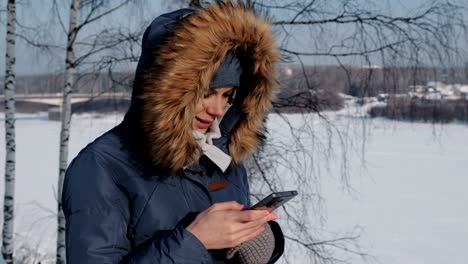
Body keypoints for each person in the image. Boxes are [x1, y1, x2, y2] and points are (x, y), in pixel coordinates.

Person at [62, 1, 283, 263]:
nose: (218, 108)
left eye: (227, 95)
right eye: (206, 93)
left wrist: (252, 239)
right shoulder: (102, 166)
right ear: (167, 92)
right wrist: (195, 241)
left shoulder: (221, 156)